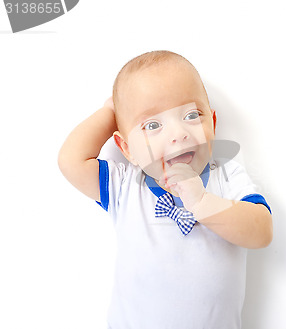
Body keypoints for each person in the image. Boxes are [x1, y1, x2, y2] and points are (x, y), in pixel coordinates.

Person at [58, 50, 273, 329]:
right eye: (153, 125)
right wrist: (109, 112)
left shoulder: (227, 176)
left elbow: (262, 231)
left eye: (192, 115)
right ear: (126, 149)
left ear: (213, 123)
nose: (178, 133)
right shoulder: (125, 186)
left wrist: (203, 203)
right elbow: (70, 161)